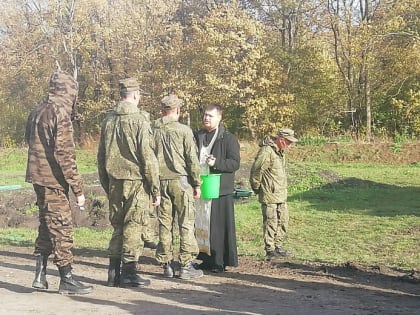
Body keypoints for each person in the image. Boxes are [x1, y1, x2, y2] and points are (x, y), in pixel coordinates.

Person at [25, 70, 93, 295]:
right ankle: (67, 278)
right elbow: (65, 155)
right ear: (69, 91)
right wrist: (78, 189)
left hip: (37, 177)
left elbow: (30, 141)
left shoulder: (37, 111)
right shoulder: (60, 114)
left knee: (46, 225)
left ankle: (40, 275)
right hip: (53, 180)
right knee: (62, 228)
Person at [97, 77, 161, 287]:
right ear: (135, 95)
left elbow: (101, 155)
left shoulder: (108, 119)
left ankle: (113, 271)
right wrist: (155, 188)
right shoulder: (140, 120)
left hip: (114, 180)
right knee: (134, 224)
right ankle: (129, 272)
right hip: (135, 180)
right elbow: (147, 156)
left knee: (117, 225)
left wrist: (106, 183)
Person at [152, 94, 203, 279]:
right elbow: (192, 159)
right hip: (181, 181)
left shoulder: (153, 129)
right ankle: (186, 264)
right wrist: (197, 183)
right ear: (178, 111)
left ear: (162, 111)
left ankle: (166, 264)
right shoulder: (184, 130)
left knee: (165, 224)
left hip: (160, 181)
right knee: (186, 222)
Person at [194, 104, 240, 273]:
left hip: (220, 189)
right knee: (202, 224)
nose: (206, 118)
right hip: (201, 186)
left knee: (218, 227)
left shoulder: (228, 138)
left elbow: (235, 163)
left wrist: (217, 163)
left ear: (219, 118)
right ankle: (205, 259)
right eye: (205, 115)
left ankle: (219, 261)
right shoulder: (197, 135)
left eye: (210, 116)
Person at [249, 128, 298, 260]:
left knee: (283, 221)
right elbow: (256, 171)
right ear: (281, 140)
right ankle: (270, 249)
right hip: (269, 195)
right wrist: (257, 188)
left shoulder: (280, 152)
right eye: (288, 142)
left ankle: (278, 246)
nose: (290, 145)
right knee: (271, 222)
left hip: (281, 194)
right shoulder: (267, 152)